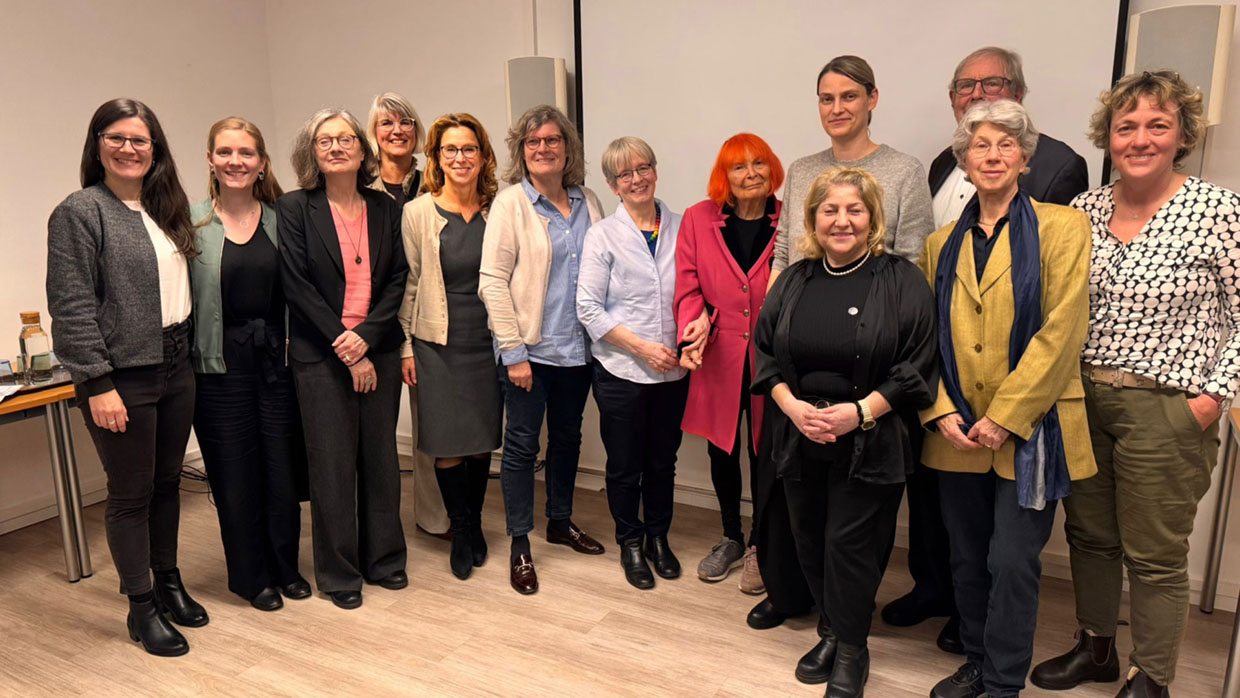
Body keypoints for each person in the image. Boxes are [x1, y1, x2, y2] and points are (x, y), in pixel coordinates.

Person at [1031, 71, 1240, 698]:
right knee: (1089, 536)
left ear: (1181, 135)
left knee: (1153, 553)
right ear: (1108, 137)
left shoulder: (1218, 210)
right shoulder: (1084, 211)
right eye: (1127, 127)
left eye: (1157, 125)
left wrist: (1210, 400)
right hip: (1083, 399)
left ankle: (1151, 678)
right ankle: (1096, 649)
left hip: (1167, 409)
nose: (1140, 138)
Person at [889, 45, 1091, 658]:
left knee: (1012, 560)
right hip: (954, 433)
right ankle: (976, 660)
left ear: (1025, 159)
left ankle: (1003, 680)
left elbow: (1062, 332)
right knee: (967, 557)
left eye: (1007, 144)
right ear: (963, 160)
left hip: (1031, 430)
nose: (994, 154)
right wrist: (938, 409)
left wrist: (1004, 416)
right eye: (981, 146)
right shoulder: (940, 243)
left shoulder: (1063, 227)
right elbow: (924, 336)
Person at [754, 166, 938, 697]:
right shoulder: (794, 279)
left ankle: (853, 651)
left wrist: (859, 412)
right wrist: (791, 407)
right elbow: (765, 352)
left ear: (873, 217)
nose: (842, 221)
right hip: (799, 433)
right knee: (810, 539)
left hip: (871, 438)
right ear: (812, 219)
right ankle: (833, 632)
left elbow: (918, 363)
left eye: (854, 210)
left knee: (848, 546)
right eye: (829, 210)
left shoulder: (901, 280)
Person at [47, 98, 205, 656]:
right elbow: (70, 307)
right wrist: (96, 382)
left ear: (154, 149)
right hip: (123, 376)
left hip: (176, 364)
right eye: (116, 138)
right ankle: (141, 608)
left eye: (140, 140)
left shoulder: (167, 208)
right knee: (131, 495)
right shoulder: (81, 211)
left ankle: (168, 583)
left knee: (168, 487)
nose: (128, 149)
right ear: (97, 145)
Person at [278, 108, 409, 610]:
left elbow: (397, 278)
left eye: (346, 138)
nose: (336, 146)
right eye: (324, 140)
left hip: (379, 350)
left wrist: (368, 338)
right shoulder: (295, 208)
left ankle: (385, 560)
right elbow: (297, 285)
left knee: (380, 460)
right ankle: (339, 573)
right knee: (331, 467)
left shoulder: (385, 207)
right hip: (321, 356)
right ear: (312, 153)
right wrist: (346, 345)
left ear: (362, 148)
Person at [478, 104, 606, 595]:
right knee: (521, 447)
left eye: (552, 140)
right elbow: (492, 282)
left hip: (579, 351)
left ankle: (560, 521)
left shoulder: (589, 199)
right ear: (522, 151)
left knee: (569, 439)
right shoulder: (511, 204)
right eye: (534, 143)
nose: (544, 149)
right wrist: (513, 353)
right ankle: (520, 544)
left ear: (567, 148)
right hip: (530, 352)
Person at [188, 117, 309, 612]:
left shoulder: (285, 219)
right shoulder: (189, 222)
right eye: (225, 152)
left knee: (281, 473)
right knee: (235, 477)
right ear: (211, 160)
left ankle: (285, 566)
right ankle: (251, 577)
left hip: (276, 364)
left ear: (262, 163)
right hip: (217, 369)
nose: (235, 161)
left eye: (246, 153)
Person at [577, 137, 688, 590]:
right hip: (621, 370)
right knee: (625, 464)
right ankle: (632, 541)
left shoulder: (684, 226)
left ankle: (659, 537)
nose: (637, 178)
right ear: (612, 184)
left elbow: (697, 293)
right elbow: (588, 307)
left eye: (643, 168)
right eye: (625, 174)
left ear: (656, 171)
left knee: (664, 461)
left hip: (674, 371)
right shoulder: (602, 235)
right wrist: (642, 348)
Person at [674, 133, 783, 591]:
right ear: (725, 175)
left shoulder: (791, 217)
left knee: (765, 452)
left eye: (758, 163)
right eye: (738, 166)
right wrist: (693, 322)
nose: (750, 173)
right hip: (718, 355)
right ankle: (730, 537)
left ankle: (761, 544)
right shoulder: (700, 219)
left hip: (773, 360)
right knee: (722, 449)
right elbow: (687, 284)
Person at [398, 113, 501, 581]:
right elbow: (410, 283)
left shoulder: (499, 208)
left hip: (488, 342)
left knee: (480, 443)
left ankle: (474, 521)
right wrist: (404, 346)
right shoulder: (417, 211)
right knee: (447, 444)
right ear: (437, 157)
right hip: (436, 342)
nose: (460, 158)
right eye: (450, 150)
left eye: (469, 149)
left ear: (483, 156)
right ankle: (460, 530)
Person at [365, 91, 447, 540]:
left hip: (424, 320)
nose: (397, 131)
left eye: (406, 123)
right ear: (373, 133)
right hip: (372, 323)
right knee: (374, 434)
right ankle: (376, 525)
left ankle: (433, 519)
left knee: (428, 432)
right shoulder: (358, 186)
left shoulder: (434, 184)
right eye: (386, 123)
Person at [772, 55, 934, 276]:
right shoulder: (801, 171)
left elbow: (912, 267)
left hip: (876, 309)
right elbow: (783, 255)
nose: (837, 109)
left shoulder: (905, 172)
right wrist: (771, 310)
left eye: (849, 97)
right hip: (799, 308)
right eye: (827, 99)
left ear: (872, 99)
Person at [927, 46, 1090, 228]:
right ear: (952, 98)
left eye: (991, 84)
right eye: (966, 85)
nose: (976, 94)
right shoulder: (941, 163)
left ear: (1017, 94)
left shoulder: (1060, 165)